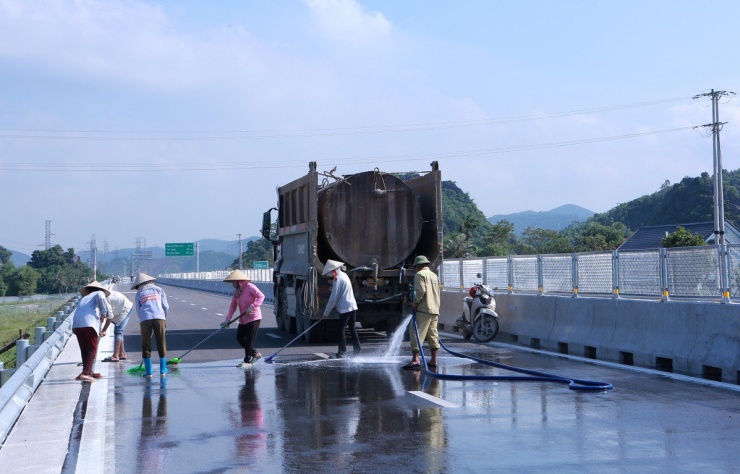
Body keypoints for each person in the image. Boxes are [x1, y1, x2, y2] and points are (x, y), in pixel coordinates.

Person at [222, 270, 265, 368]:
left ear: (238, 281)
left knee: (249, 340)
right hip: (243, 319)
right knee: (240, 337)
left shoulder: (250, 287)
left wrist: (253, 305)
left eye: (233, 281)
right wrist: (227, 320)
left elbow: (261, 296)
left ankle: (247, 361)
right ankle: (255, 353)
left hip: (254, 317)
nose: (232, 284)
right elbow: (233, 306)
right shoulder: (236, 292)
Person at [403, 255, 440, 370]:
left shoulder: (419, 275)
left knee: (415, 332)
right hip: (434, 309)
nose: (415, 269)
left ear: (418, 266)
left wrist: (415, 303)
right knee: (432, 334)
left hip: (424, 309)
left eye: (415, 267)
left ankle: (415, 359)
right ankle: (434, 360)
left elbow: (420, 291)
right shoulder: (434, 275)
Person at [73, 281, 112, 382]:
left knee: (84, 348)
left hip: (77, 324)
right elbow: (105, 309)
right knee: (92, 348)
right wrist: (103, 314)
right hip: (88, 324)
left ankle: (87, 371)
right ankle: (85, 373)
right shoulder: (99, 293)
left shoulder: (85, 298)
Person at [132, 272, 169, 378]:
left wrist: (143, 319)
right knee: (161, 342)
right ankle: (163, 369)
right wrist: (163, 316)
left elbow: (138, 309)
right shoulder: (159, 290)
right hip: (159, 318)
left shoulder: (139, 293)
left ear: (140, 284)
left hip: (145, 319)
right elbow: (165, 306)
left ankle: (149, 372)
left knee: (146, 344)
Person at [322, 259, 360, 358]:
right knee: (352, 328)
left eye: (329, 272)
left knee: (340, 328)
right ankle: (357, 349)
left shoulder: (337, 279)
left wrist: (326, 312)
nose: (328, 274)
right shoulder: (344, 275)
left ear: (333, 270)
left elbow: (333, 297)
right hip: (352, 305)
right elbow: (340, 295)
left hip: (346, 307)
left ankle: (342, 352)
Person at [101, 289, 133, 362]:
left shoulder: (104, 300)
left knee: (118, 331)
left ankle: (115, 355)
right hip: (120, 308)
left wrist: (104, 330)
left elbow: (109, 317)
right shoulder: (104, 295)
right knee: (119, 331)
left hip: (125, 309)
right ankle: (122, 354)